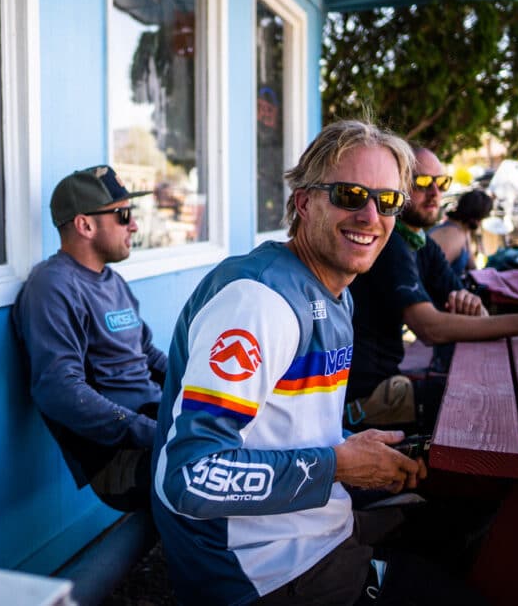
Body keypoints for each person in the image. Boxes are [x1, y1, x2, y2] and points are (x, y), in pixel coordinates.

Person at [152, 121, 473, 605]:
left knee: (462, 517)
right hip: (263, 569)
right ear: (304, 203)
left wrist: (350, 448)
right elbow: (190, 477)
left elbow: (282, 430)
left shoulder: (335, 292)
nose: (371, 215)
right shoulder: (259, 303)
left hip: (314, 529)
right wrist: (338, 465)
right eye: (350, 195)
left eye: (387, 201)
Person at [346, 147, 518, 433]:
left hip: (389, 380)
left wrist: (473, 305)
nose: (435, 192)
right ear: (397, 188)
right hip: (365, 398)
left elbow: (476, 314)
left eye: (442, 183)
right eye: (422, 182)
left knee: (495, 399)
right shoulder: (391, 243)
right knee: (492, 410)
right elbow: (428, 328)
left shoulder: (422, 243)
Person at [12, 165, 167, 511]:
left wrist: (205, 391)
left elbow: (147, 354)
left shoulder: (112, 281)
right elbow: (59, 389)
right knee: (229, 475)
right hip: (119, 458)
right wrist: (153, 432)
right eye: (123, 215)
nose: (135, 225)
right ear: (85, 225)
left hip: (154, 423)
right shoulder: (52, 287)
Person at [428, 189, 493, 277]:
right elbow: (431, 275)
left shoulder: (464, 231)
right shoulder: (452, 236)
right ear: (476, 218)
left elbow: (472, 266)